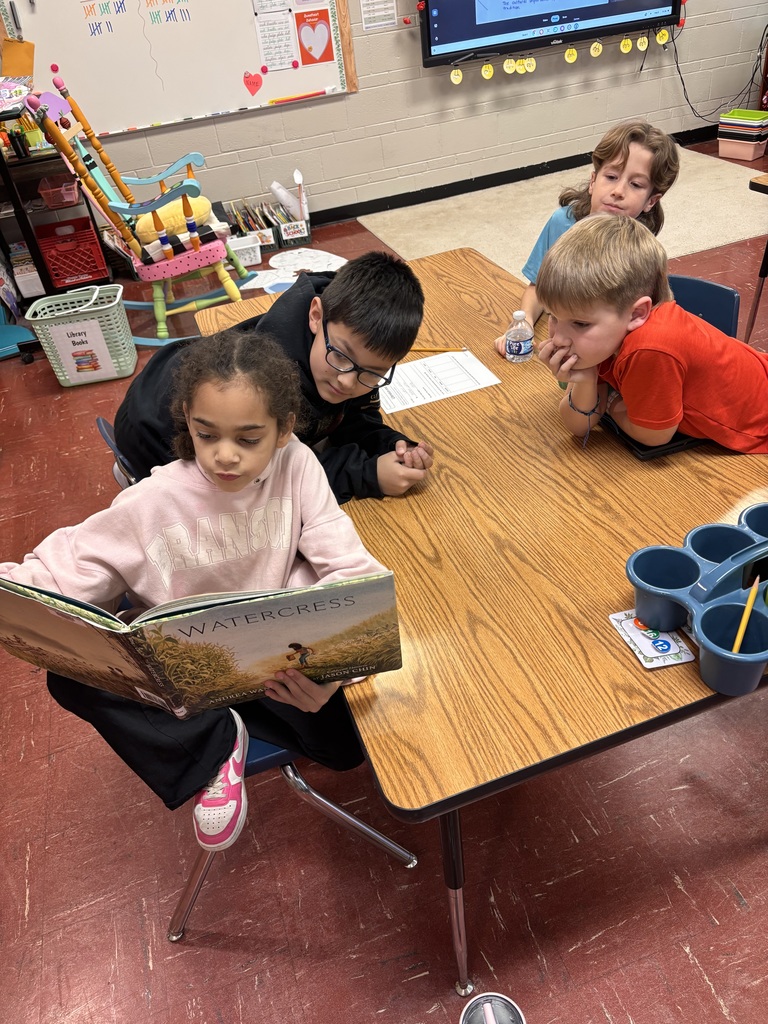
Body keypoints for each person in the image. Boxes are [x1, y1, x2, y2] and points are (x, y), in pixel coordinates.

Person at [0, 332, 390, 853]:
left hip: (279, 675)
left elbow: (351, 571)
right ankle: (216, 746)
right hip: (190, 689)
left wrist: (332, 675)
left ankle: (228, 728)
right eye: (207, 435)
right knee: (70, 676)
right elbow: (63, 569)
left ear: (283, 430)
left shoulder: (296, 464)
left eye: (248, 439)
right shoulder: (152, 500)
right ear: (188, 418)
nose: (224, 457)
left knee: (347, 753)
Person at [114, 250, 434, 504]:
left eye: (372, 374)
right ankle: (137, 474)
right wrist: (367, 475)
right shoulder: (269, 382)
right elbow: (263, 482)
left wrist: (391, 446)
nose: (348, 382)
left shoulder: (349, 348)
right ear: (315, 315)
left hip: (187, 378)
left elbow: (350, 416)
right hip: (153, 434)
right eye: (340, 357)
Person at [535, 214, 768, 452]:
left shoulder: (650, 347)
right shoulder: (605, 333)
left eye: (580, 324)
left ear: (637, 314)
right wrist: (585, 379)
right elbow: (579, 427)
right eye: (553, 316)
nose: (558, 338)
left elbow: (653, 436)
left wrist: (610, 400)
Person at [493, 119, 680, 355]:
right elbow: (537, 288)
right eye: (611, 177)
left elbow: (644, 321)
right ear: (593, 181)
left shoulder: (641, 248)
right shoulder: (562, 222)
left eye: (635, 184)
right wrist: (526, 322)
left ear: (651, 201)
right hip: (564, 337)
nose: (618, 191)